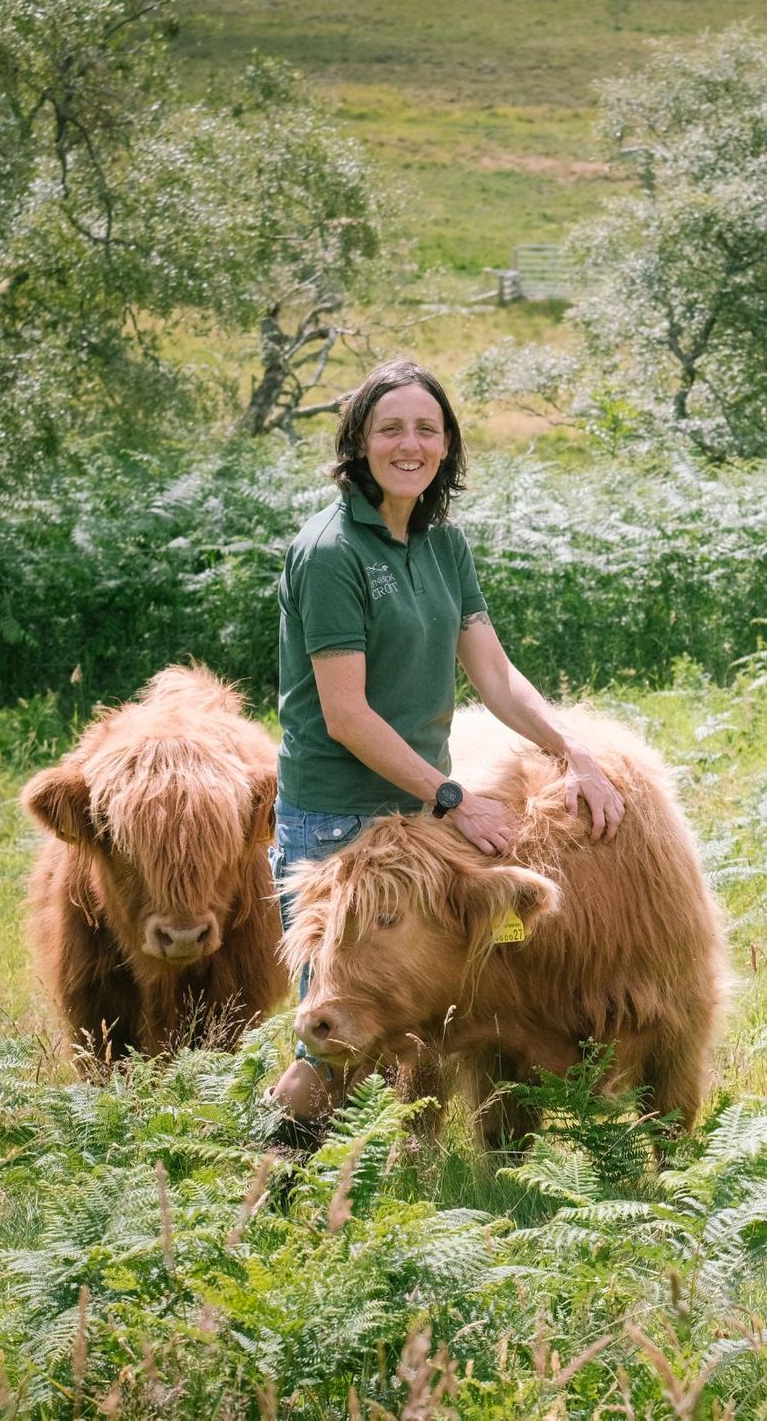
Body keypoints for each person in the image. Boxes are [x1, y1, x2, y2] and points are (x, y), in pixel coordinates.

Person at [266, 359, 625, 1118]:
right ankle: (268, 1203)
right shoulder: (332, 552)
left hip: (416, 820)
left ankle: (411, 1184)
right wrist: (454, 799)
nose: (410, 444)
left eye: (426, 429)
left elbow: (495, 678)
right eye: (390, 428)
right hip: (337, 823)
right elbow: (347, 715)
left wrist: (577, 755)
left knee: (429, 1022)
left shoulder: (442, 545)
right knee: (334, 1041)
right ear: (358, 442)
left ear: (447, 445)